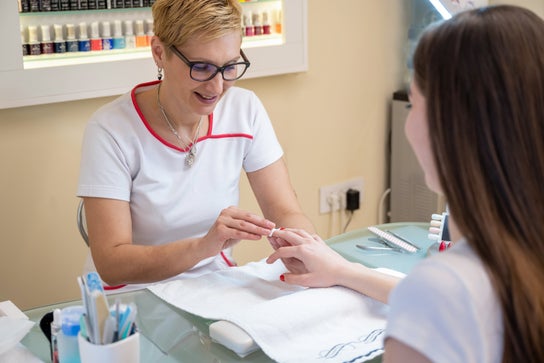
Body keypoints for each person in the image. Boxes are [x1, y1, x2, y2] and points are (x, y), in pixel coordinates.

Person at [267, 5, 544, 362]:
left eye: (413, 104)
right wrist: (342, 270)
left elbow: (440, 301)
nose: (407, 124)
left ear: (449, 127)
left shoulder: (443, 291)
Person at [76, 0, 314, 289]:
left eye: (229, 67)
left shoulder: (244, 109)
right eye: (201, 67)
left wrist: (310, 251)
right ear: (159, 53)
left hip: (214, 287)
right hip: (132, 299)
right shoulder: (110, 130)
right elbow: (111, 264)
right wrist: (204, 247)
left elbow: (284, 210)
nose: (216, 87)